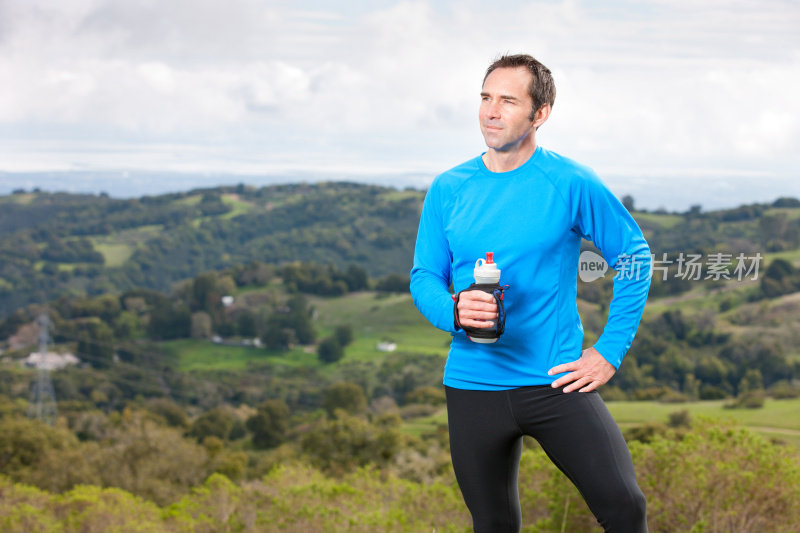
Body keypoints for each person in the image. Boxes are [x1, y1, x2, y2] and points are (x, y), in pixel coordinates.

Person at [409, 54, 652, 533]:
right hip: (472, 385)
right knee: (494, 524)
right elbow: (424, 277)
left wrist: (609, 351)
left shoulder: (569, 182)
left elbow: (634, 257)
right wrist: (453, 311)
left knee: (625, 508)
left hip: (556, 382)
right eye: (484, 98)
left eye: (507, 101)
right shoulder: (449, 187)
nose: (490, 112)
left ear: (539, 114)